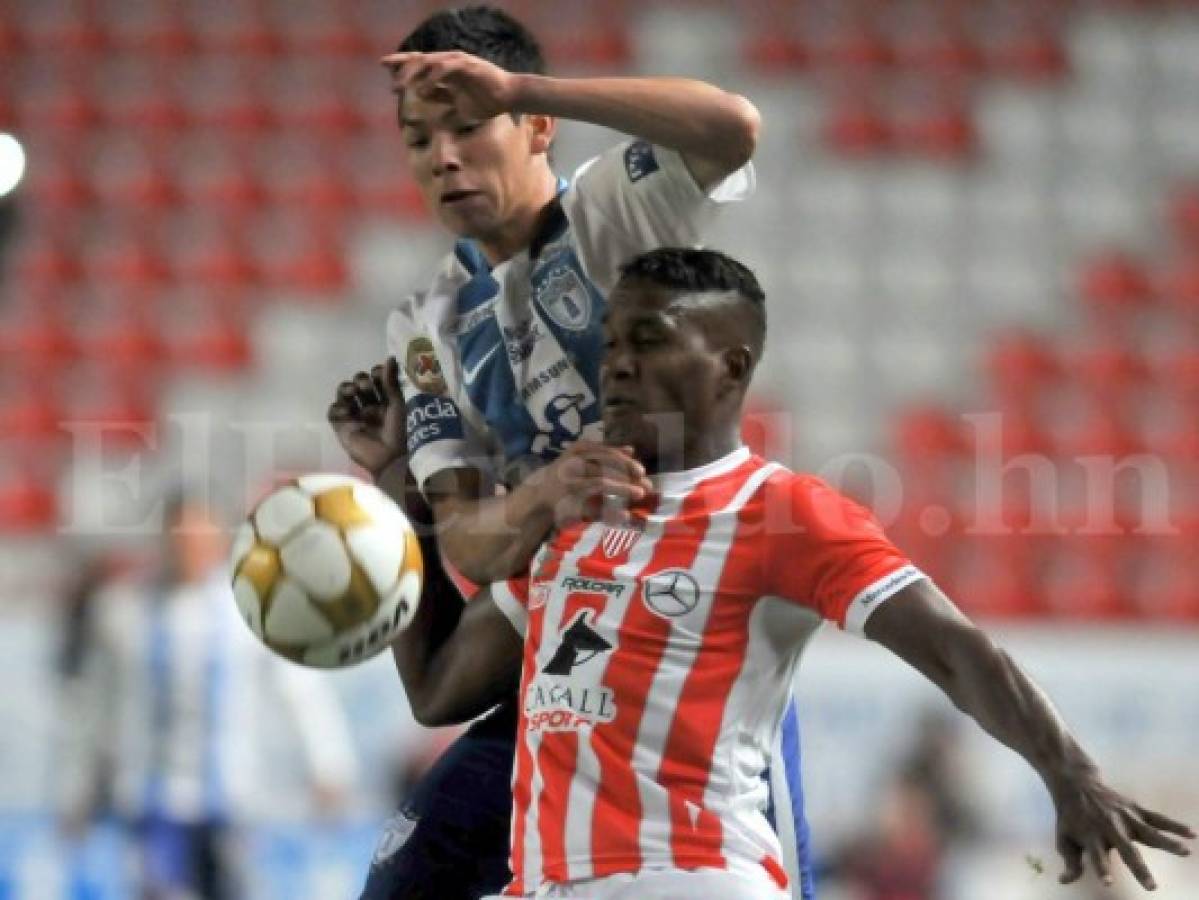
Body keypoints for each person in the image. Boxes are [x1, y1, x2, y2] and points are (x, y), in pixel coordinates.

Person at [378, 247, 1194, 898]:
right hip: (548, 882)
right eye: (614, 342)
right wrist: (396, 484)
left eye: (651, 340)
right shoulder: (577, 507)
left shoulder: (778, 512)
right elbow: (440, 688)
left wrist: (1069, 773)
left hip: (687, 877)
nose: (618, 364)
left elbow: (950, 645)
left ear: (731, 369)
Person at [328, 6, 815, 898]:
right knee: (405, 878)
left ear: (536, 127)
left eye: (470, 125)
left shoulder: (611, 212)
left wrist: (523, 83)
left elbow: (732, 126)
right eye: (418, 137)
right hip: (560, 629)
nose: (443, 156)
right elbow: (471, 543)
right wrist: (542, 492)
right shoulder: (425, 322)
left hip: (687, 622)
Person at [56, 492, 358, 899]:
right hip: (152, 804)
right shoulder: (124, 610)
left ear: (218, 541)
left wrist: (328, 763)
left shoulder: (250, 608)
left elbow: (300, 691)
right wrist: (79, 788)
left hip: (231, 800)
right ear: (164, 540)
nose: (189, 549)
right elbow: (98, 708)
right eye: (180, 538)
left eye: (199, 537)